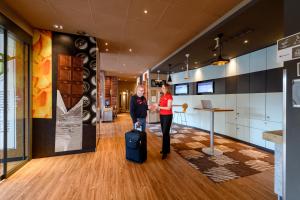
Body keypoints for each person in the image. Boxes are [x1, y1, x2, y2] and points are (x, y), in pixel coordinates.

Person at [154, 83, 173, 159]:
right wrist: (156, 106)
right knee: (165, 133)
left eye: (163, 87)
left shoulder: (169, 96)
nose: (162, 89)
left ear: (167, 88)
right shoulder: (162, 96)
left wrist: (159, 107)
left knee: (165, 133)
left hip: (167, 116)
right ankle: (167, 149)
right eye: (162, 87)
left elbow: (168, 108)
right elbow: (159, 105)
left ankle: (164, 152)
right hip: (162, 116)